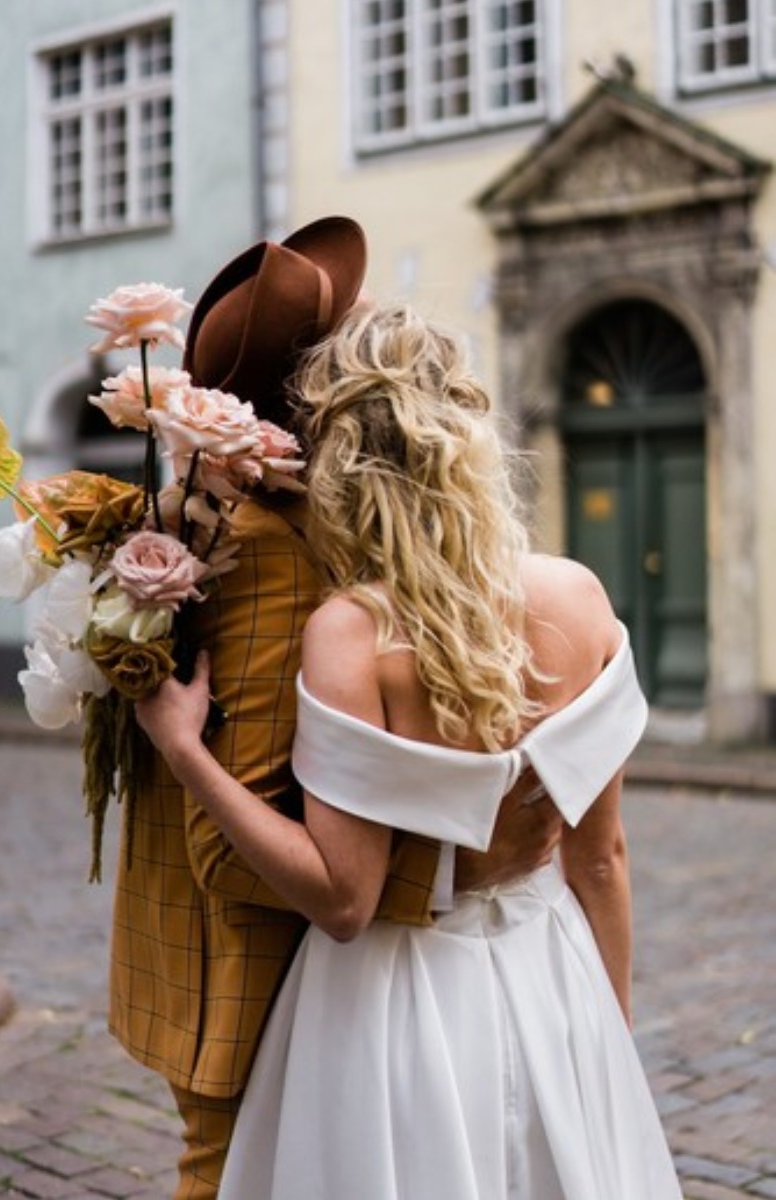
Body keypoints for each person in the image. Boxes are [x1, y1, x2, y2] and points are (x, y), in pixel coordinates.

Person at [134, 302, 684, 1199]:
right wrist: (604, 1040)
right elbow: (603, 858)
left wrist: (185, 750)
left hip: (399, 1005)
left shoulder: (351, 634)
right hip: (554, 974)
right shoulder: (578, 597)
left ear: (340, 467)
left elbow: (345, 900)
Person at [109, 221, 563, 1200]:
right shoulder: (274, 544)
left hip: (223, 961)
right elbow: (234, 836)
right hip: (245, 973)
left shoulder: (240, 515)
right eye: (340, 330)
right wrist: (449, 884)